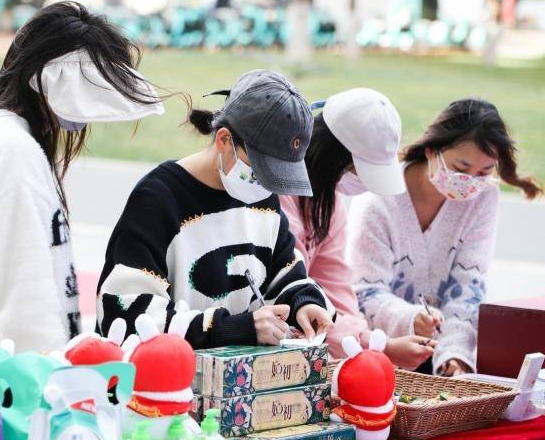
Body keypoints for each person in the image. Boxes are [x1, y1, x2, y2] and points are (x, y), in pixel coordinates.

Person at [0, 1, 164, 353]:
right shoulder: (13, 154)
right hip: (16, 394)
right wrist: (59, 390)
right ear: (47, 80)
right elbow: (26, 315)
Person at [97, 70, 335, 348]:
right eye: (260, 171)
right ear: (224, 140)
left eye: (276, 178)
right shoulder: (158, 200)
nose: (265, 187)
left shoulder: (262, 200)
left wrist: (302, 303)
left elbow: (285, 275)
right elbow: (124, 315)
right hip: (160, 386)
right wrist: (234, 329)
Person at [348, 98, 542, 376]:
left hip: (440, 353)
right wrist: (411, 319)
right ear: (431, 152)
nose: (471, 181)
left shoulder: (483, 197)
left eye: (484, 172)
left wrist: (455, 354)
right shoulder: (378, 200)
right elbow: (365, 291)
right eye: (461, 169)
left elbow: (469, 285)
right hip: (378, 354)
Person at [281, 88, 436, 369]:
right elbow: (292, 289)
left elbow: (335, 286)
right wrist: (377, 346)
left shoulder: (329, 202)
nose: (360, 183)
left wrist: (367, 343)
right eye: (357, 171)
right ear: (332, 157)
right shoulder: (279, 194)